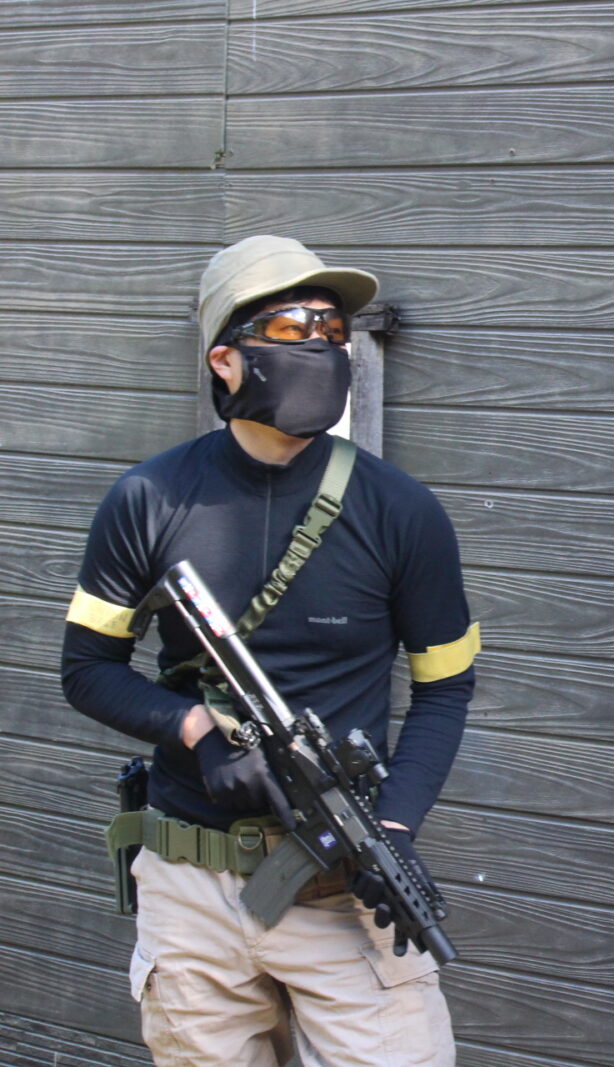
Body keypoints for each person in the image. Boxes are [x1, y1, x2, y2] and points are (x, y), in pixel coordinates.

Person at [61, 235, 479, 1066]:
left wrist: (393, 826)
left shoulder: (402, 510)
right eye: (291, 328)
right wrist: (193, 730)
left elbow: (446, 689)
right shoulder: (147, 499)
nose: (321, 346)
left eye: (333, 329)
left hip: (341, 889)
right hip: (191, 890)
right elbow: (87, 669)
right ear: (225, 359)